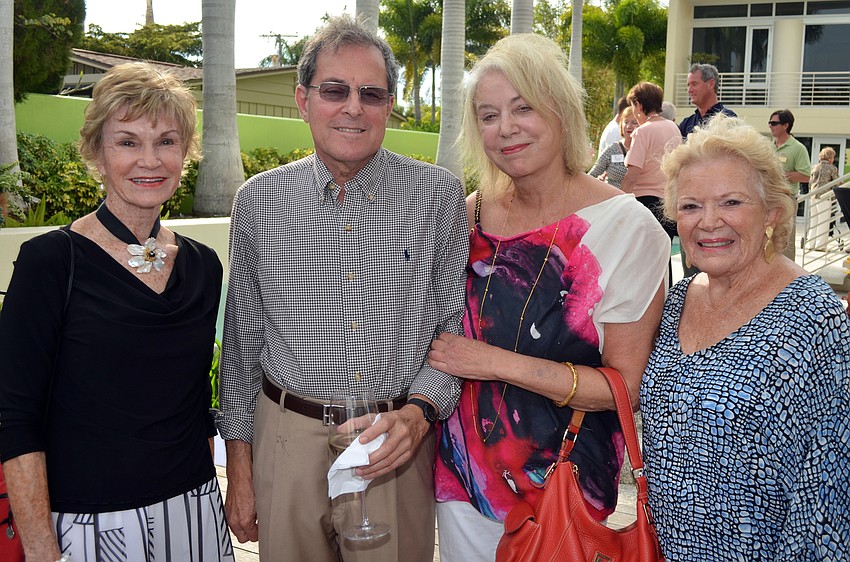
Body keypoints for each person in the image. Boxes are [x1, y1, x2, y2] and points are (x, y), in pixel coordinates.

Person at [217, 15, 468, 562]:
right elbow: (240, 344)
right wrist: (239, 468)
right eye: (335, 90)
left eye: (371, 94)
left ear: (389, 106)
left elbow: (453, 326)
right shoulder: (259, 201)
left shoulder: (439, 196)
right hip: (286, 438)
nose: (353, 106)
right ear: (304, 100)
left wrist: (421, 413)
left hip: (392, 440)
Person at [426, 34, 670, 562]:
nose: (505, 128)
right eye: (488, 115)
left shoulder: (627, 229)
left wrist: (490, 362)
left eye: (523, 108)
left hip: (562, 489)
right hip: (462, 477)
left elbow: (623, 389)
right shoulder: (469, 213)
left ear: (561, 111)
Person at [0, 62, 232, 561]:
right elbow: (14, 418)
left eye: (166, 141)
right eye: (127, 142)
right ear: (97, 154)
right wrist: (42, 551)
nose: (149, 160)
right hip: (85, 526)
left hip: (194, 514)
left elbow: (194, 402)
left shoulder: (203, 266)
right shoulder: (51, 262)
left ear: (185, 153)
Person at [641, 115, 850, 559]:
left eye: (731, 202)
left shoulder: (813, 317)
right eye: (691, 206)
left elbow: (828, 492)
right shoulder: (677, 300)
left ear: (773, 212)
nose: (709, 222)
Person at [678, 63, 738, 278]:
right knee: (692, 268)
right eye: (688, 84)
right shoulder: (686, 124)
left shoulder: (728, 120)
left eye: (694, 83)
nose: (689, 89)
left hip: (718, 206)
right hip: (692, 205)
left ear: (710, 84)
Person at [621, 81, 682, 284]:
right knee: (664, 261)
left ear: (639, 105)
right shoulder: (673, 127)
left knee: (644, 265)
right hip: (668, 202)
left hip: (645, 202)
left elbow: (632, 174)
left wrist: (619, 203)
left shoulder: (643, 131)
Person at [769, 108, 811, 261]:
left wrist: (781, 176)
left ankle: (788, 279)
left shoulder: (797, 148)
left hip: (786, 199)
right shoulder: (769, 147)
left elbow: (806, 176)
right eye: (769, 122)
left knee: (785, 241)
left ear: (786, 125)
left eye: (774, 123)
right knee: (766, 239)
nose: (770, 126)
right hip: (768, 199)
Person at [589, 105, 638, 188]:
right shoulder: (612, 150)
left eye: (634, 122)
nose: (629, 126)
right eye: (626, 122)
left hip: (638, 199)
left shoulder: (644, 150)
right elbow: (592, 175)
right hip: (616, 198)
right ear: (621, 125)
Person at [807, 146, 840, 250]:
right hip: (824, 196)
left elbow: (810, 182)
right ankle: (820, 245)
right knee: (823, 221)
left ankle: (810, 244)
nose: (833, 159)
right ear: (830, 157)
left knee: (814, 221)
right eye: (833, 157)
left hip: (813, 195)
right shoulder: (832, 168)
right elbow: (837, 182)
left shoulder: (815, 167)